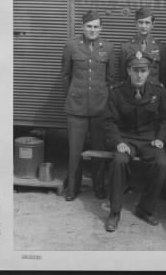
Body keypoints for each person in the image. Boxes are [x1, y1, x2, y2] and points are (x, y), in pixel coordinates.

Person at [103, 51, 166, 232]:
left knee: (162, 164)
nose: (139, 75)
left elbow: (165, 119)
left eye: (143, 71)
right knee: (119, 161)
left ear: (149, 72)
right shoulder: (116, 92)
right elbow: (109, 121)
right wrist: (118, 142)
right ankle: (115, 211)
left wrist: (160, 139)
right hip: (126, 139)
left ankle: (145, 208)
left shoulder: (158, 91)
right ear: (128, 71)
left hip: (149, 140)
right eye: (135, 70)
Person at [61, 10, 115, 201]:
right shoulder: (71, 46)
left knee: (99, 150)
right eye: (89, 26)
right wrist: (74, 94)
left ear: (101, 28)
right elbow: (66, 75)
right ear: (83, 27)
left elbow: (111, 79)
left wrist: (104, 100)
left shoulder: (107, 48)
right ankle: (73, 189)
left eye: (96, 26)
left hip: (100, 107)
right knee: (75, 150)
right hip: (76, 107)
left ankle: (99, 187)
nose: (92, 30)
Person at [119, 7, 166, 86]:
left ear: (152, 25)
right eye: (140, 22)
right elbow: (123, 77)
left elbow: (164, 76)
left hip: (153, 93)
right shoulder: (125, 48)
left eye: (147, 23)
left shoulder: (160, 47)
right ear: (136, 24)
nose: (143, 26)